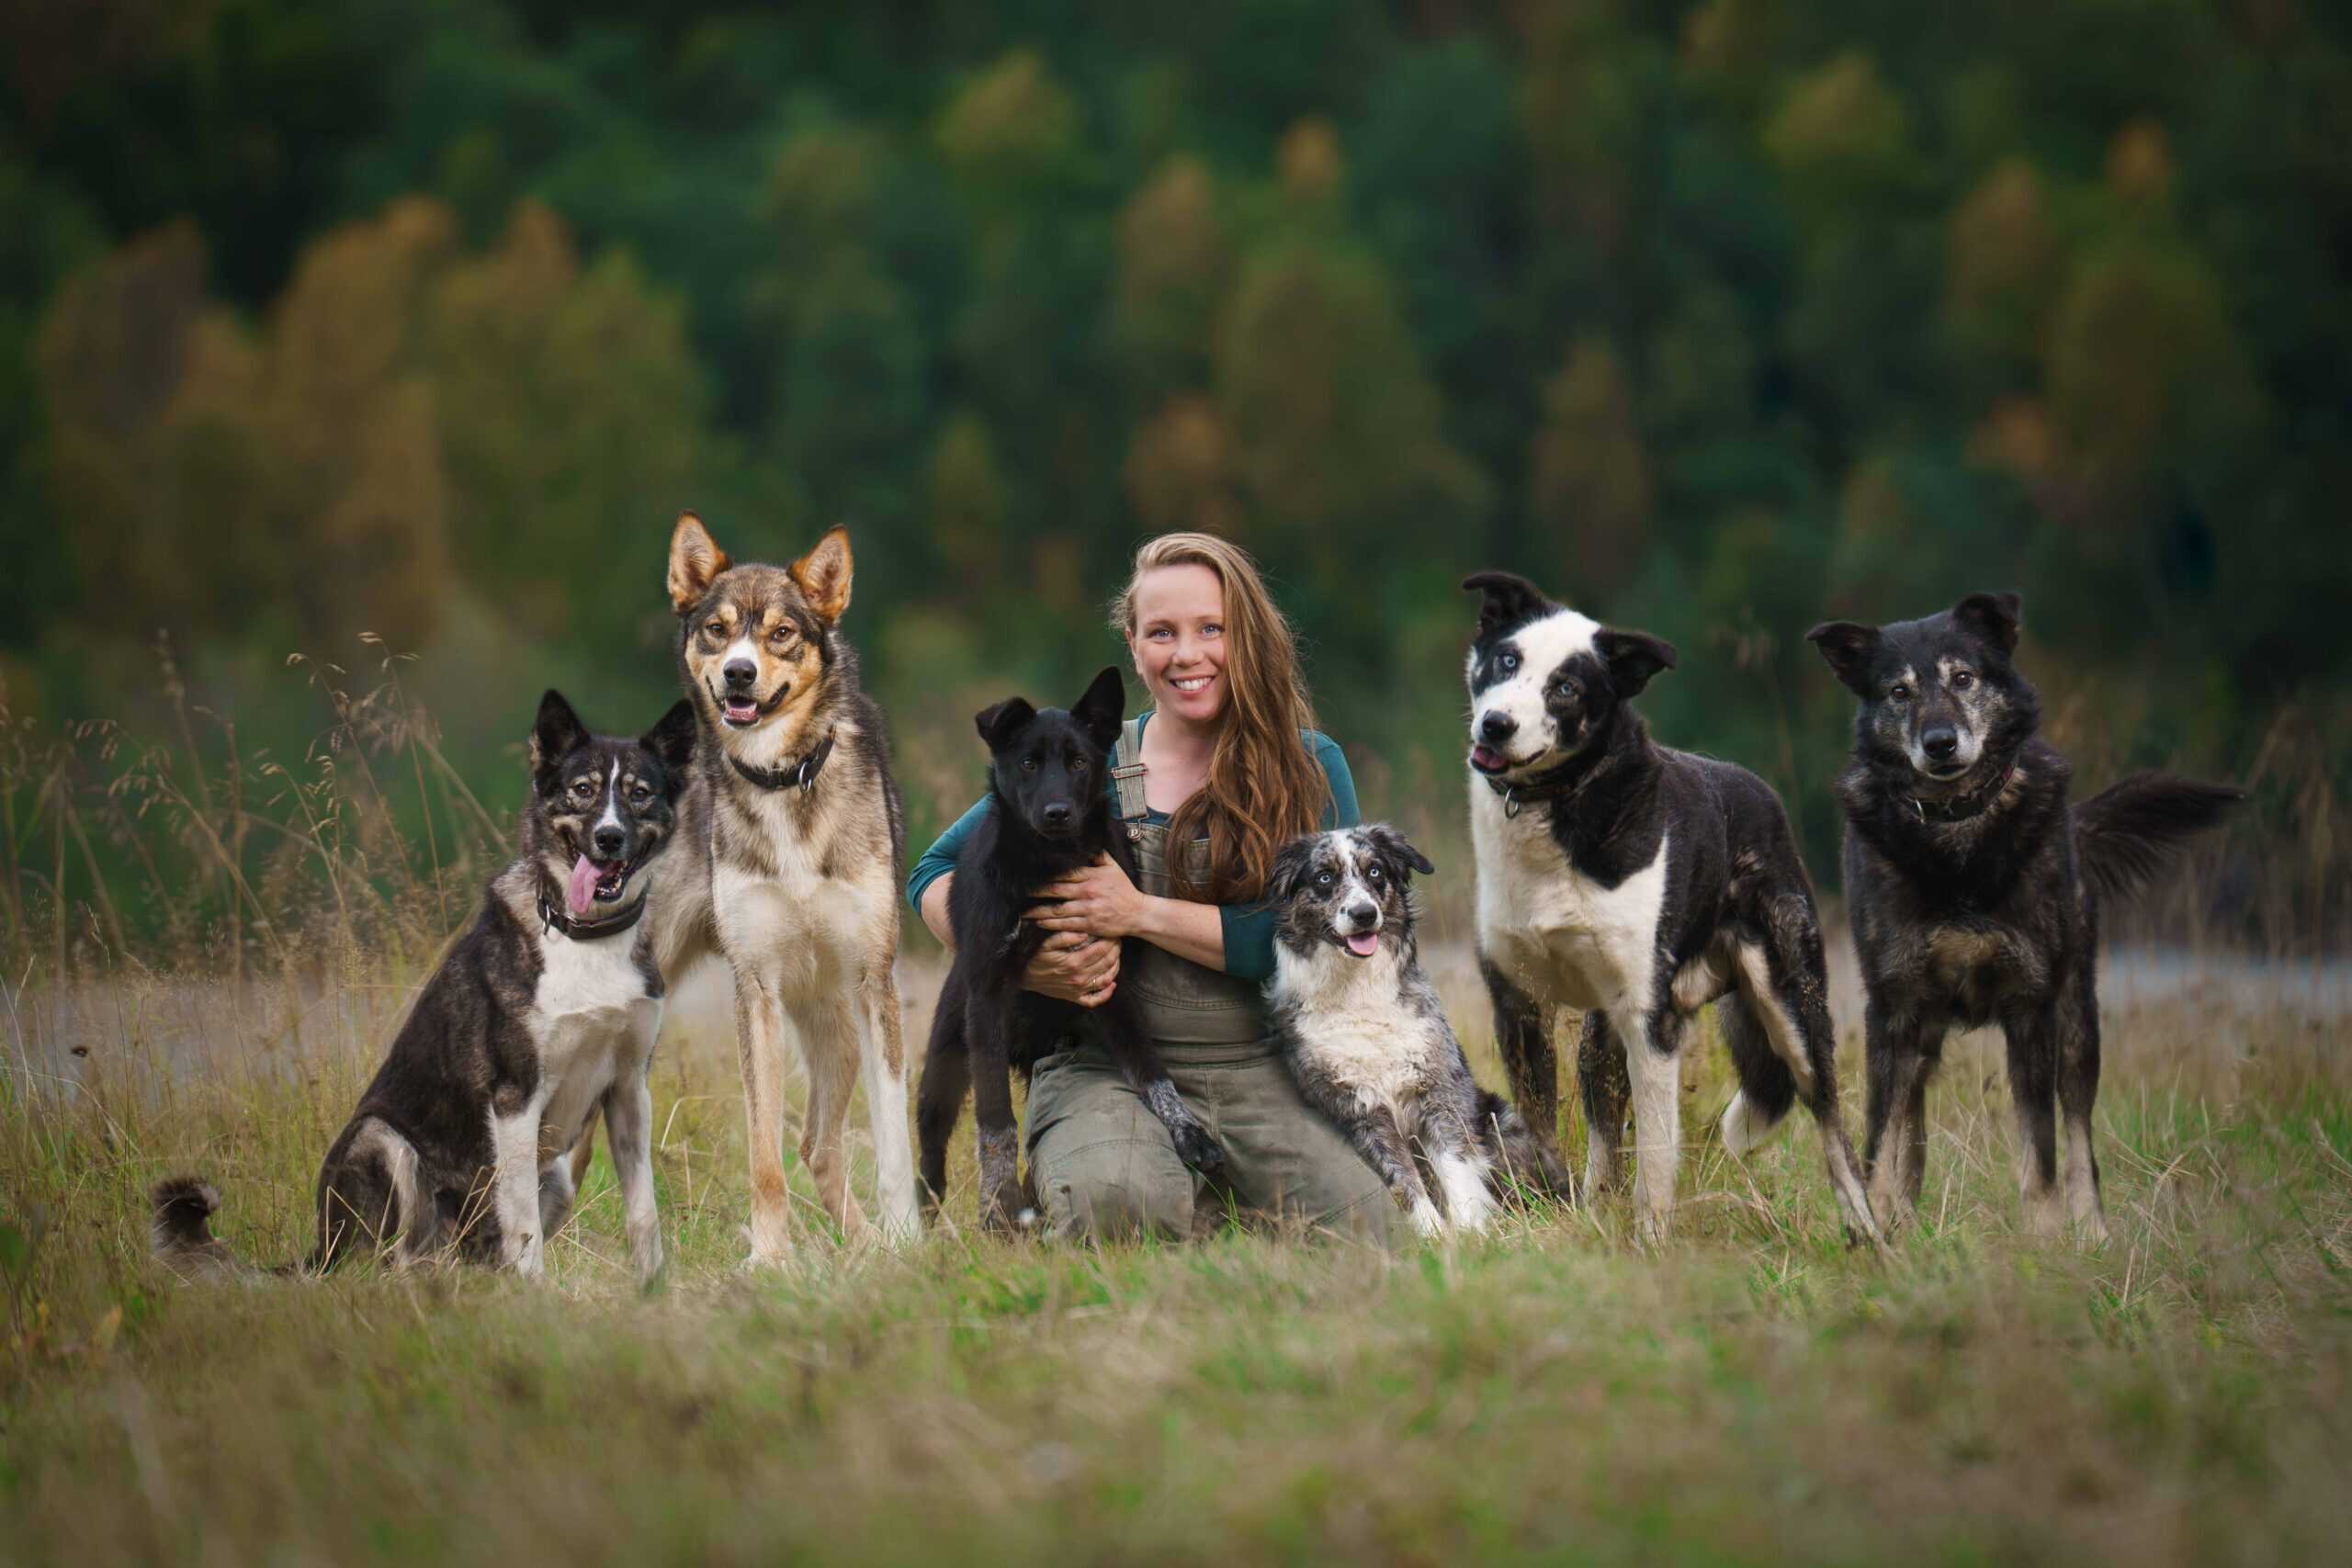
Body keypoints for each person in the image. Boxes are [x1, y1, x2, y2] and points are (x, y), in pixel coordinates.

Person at [908, 533, 1396, 1244]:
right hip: (1102, 1065)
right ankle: (1139, 1188)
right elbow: (931, 875)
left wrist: (1137, 911)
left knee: (1370, 1229)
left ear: (1246, 636)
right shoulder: (1085, 762)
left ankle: (1212, 1204)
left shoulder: (1310, 766)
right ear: (1133, 645)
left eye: (1211, 629)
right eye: (1161, 632)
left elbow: (1316, 947)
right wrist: (1028, 959)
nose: (1186, 653)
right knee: (1113, 1210)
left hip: (1262, 1064)